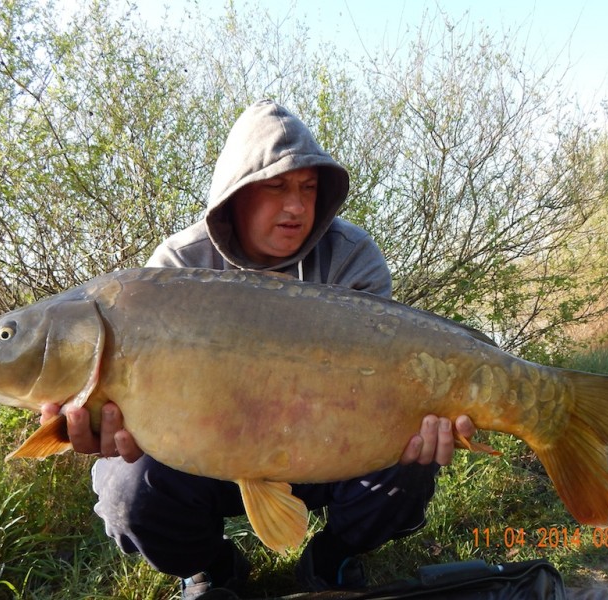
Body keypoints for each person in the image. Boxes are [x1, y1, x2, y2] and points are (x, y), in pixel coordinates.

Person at [41, 100, 476, 598]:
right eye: (276, 187)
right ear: (236, 194)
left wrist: (422, 414)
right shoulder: (175, 268)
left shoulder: (351, 256)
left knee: (414, 459)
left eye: (308, 189)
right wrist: (108, 425)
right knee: (126, 489)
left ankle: (332, 557)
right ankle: (212, 567)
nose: (296, 206)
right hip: (205, 456)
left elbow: (384, 376)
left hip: (327, 446)